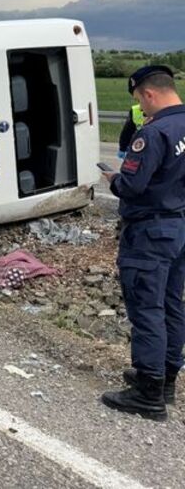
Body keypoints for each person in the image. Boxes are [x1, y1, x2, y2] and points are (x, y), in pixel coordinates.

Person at [101, 65, 185, 422]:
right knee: (171, 303)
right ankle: (166, 381)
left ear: (148, 94)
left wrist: (113, 180)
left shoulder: (153, 134)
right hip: (179, 227)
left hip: (150, 231)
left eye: (139, 101)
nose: (141, 108)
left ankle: (148, 394)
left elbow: (132, 186)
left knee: (147, 307)